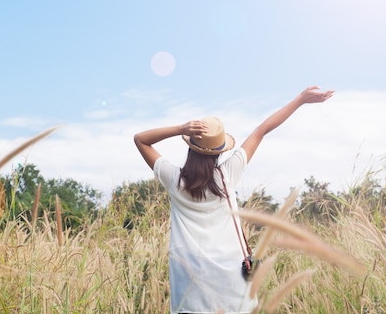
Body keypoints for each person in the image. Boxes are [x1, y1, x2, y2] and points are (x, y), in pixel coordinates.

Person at [133, 86, 334, 314]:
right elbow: (262, 130)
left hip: (189, 289)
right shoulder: (227, 175)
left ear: (190, 147)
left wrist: (180, 128)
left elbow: (140, 140)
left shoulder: (174, 179)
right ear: (219, 152)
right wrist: (300, 99)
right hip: (231, 287)